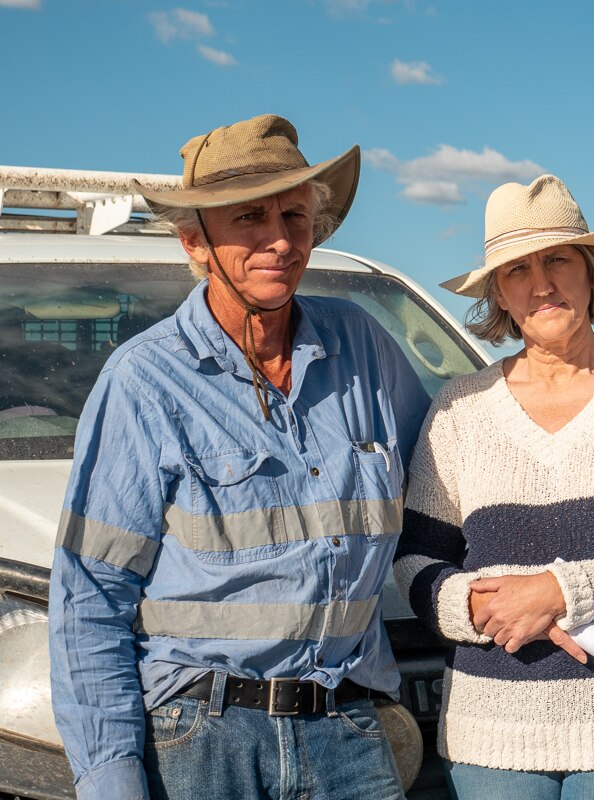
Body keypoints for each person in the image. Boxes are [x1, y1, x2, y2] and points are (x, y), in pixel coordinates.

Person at [48, 114, 429, 800]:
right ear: (195, 242)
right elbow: (89, 600)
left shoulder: (365, 348)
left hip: (350, 726)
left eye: (295, 214)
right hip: (200, 739)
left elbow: (448, 481)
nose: (280, 239)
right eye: (249, 218)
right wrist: (110, 779)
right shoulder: (145, 381)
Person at [394, 174, 594, 800]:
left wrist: (554, 593)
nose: (540, 283)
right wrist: (477, 606)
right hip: (491, 733)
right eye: (517, 270)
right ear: (500, 297)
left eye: (558, 260)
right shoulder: (460, 406)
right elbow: (415, 560)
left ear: (592, 273)